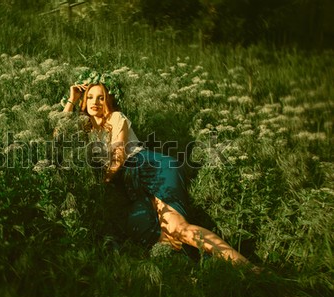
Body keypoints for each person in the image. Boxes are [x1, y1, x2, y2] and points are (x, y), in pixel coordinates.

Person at [62, 75, 257, 269]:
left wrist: (101, 185)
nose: (94, 102)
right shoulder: (85, 126)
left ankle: (248, 267)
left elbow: (119, 157)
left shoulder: (116, 117)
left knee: (178, 228)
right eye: (89, 97)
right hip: (133, 184)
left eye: (101, 97)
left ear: (109, 101)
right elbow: (59, 134)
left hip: (151, 168)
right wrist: (72, 99)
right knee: (163, 234)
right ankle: (203, 268)